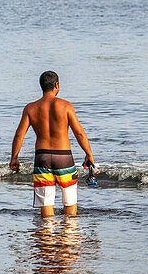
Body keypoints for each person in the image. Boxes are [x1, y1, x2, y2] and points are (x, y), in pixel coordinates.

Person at [9, 70, 95, 216]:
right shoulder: (66, 106)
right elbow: (79, 133)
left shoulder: (30, 108)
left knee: (46, 203)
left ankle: (46, 236)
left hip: (42, 158)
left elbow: (19, 135)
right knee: (70, 201)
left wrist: (14, 157)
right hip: (64, 157)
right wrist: (89, 154)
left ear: (41, 86)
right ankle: (68, 235)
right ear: (57, 85)